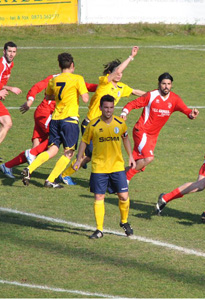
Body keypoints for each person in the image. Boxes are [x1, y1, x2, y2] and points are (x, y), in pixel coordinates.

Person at [59, 46, 145, 185]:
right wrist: (131, 57)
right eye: (117, 72)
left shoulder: (121, 88)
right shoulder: (104, 82)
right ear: (110, 73)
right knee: (93, 154)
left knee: (92, 154)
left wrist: (153, 95)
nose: (119, 74)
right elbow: (117, 70)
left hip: (103, 127)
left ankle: (72, 171)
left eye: (121, 73)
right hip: (90, 124)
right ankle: (65, 174)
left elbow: (135, 92)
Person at [0, 75, 97, 179]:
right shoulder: (60, 78)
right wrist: (30, 101)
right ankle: (50, 177)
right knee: (54, 140)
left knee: (37, 150)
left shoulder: (57, 78)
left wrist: (104, 86)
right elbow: (37, 87)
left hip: (42, 114)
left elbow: (88, 86)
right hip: (46, 114)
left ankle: (7, 166)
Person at [21, 52, 89, 188]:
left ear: (59, 65)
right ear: (72, 65)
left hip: (55, 119)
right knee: (69, 153)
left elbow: (48, 97)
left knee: (52, 150)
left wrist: (61, 97)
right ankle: (50, 180)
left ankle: (30, 168)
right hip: (69, 120)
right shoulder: (77, 79)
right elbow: (86, 98)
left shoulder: (53, 80)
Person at [73, 94, 136, 239]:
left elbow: (125, 138)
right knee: (99, 196)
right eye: (106, 107)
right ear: (100, 108)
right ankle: (99, 230)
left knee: (123, 196)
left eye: (111, 107)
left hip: (117, 166)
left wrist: (130, 156)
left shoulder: (120, 123)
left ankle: (124, 222)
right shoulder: (93, 124)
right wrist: (78, 159)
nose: (109, 110)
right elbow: (83, 141)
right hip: (99, 167)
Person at [120, 72, 199, 183]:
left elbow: (186, 111)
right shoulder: (151, 95)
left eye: (168, 84)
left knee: (140, 165)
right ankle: (124, 182)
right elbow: (133, 103)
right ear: (159, 84)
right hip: (142, 131)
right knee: (148, 158)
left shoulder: (175, 99)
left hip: (153, 136)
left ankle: (114, 178)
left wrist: (192, 114)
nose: (166, 86)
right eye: (163, 83)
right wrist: (125, 112)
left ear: (171, 85)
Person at [0, 41, 22, 160]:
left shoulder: (10, 64)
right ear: (4, 51)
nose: (11, 54)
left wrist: (6, 88)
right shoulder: (1, 65)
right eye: (9, 51)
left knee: (7, 123)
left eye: (14, 52)